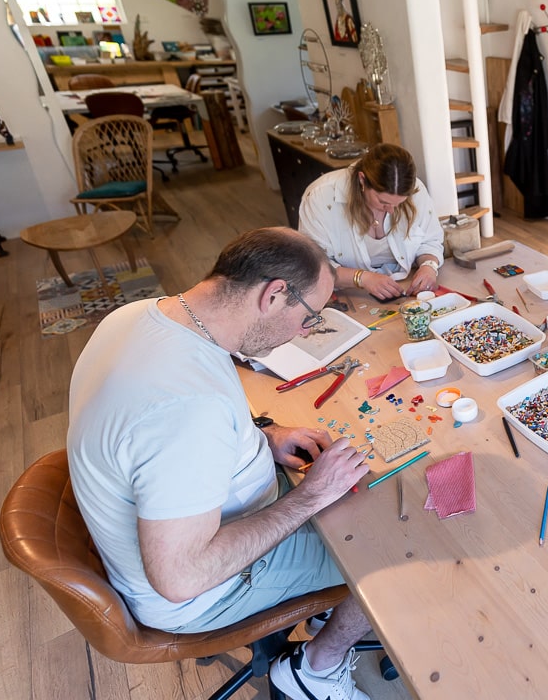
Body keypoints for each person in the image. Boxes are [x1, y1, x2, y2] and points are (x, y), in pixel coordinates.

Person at [67, 227, 376, 700]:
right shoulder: (187, 409)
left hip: (189, 528)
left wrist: (262, 437)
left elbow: (172, 440)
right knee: (389, 542)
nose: (305, 331)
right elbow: (180, 578)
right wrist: (311, 496)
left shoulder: (141, 315)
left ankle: (317, 605)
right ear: (274, 295)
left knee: (354, 500)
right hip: (204, 589)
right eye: (309, 317)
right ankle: (316, 668)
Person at [298, 143, 445, 301]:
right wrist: (362, 278)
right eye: (383, 202)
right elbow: (313, 266)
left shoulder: (416, 190)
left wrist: (429, 266)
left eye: (399, 203)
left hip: (405, 282)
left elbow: (430, 240)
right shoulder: (320, 199)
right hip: (347, 292)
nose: (390, 211)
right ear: (362, 180)